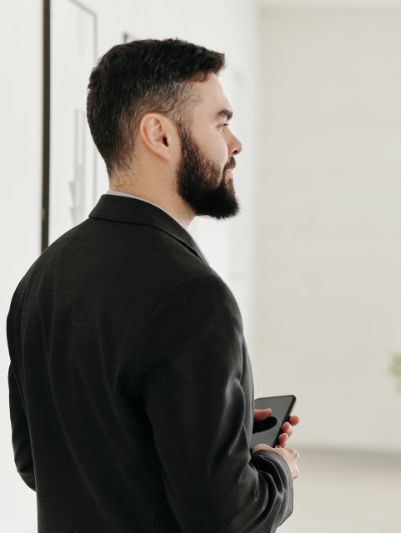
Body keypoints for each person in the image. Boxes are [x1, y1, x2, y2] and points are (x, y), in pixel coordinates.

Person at [7, 38, 300, 532]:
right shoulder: (194, 295)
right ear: (159, 135)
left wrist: (218, 434)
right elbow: (226, 519)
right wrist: (277, 469)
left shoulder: (42, 278)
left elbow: (38, 463)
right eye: (221, 123)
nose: (235, 144)